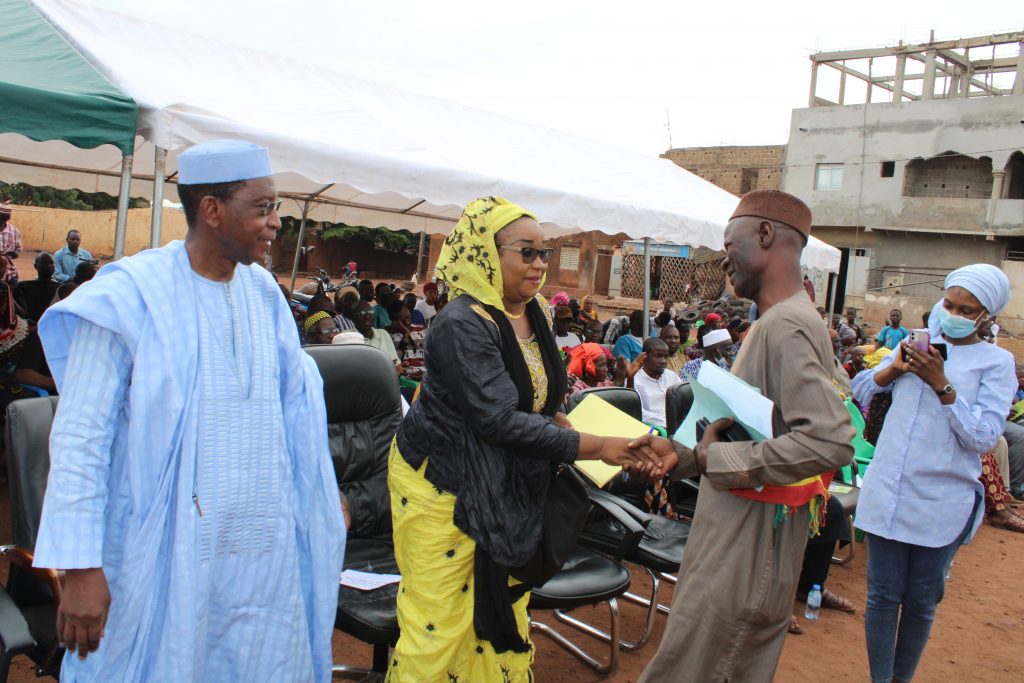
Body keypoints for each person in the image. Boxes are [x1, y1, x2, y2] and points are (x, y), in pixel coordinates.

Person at [32, 140, 345, 682]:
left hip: (257, 552)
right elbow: (82, 436)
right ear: (211, 209)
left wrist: (321, 486)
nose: (275, 223)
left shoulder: (265, 295)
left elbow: (293, 404)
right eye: (263, 207)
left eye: (277, 208)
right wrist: (81, 568)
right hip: (162, 550)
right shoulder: (129, 297)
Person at [387, 197, 662, 681]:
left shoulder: (536, 313)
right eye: (526, 252)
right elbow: (495, 419)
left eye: (545, 254)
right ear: (487, 255)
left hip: (505, 485)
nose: (539, 265)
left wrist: (565, 422)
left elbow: (540, 399)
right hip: (443, 488)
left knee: (497, 614)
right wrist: (596, 447)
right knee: (439, 626)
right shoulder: (461, 324)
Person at [630, 189, 855, 683]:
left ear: (766, 235)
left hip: (750, 540)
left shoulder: (786, 326)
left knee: (695, 666)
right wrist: (684, 455)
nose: (723, 257)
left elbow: (828, 442)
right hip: (746, 526)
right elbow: (749, 428)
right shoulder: (783, 319)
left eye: (730, 242)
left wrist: (714, 463)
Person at [852, 263, 1015, 683]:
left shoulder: (996, 363)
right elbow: (861, 390)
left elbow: (982, 437)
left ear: (987, 315)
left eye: (967, 309)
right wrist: (896, 369)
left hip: (941, 501)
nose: (953, 314)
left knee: (922, 602)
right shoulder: (915, 342)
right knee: (882, 596)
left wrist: (943, 385)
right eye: (949, 304)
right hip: (889, 489)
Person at [633, 338, 682, 428]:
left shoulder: (671, 376)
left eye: (665, 357)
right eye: (658, 356)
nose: (663, 361)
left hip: (678, 425)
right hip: (654, 429)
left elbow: (683, 398)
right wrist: (666, 423)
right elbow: (639, 412)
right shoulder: (635, 380)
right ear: (644, 357)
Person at [353, 299, 401, 371]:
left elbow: (396, 363)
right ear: (353, 317)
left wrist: (398, 368)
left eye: (370, 312)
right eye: (362, 313)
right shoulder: (347, 337)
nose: (367, 316)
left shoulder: (383, 334)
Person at [14, 253, 59, 323]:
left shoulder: (60, 288)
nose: (49, 266)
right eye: (44, 263)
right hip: (29, 325)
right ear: (36, 266)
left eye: (51, 263)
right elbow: (22, 313)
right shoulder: (23, 287)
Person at [0, 203, 23, 285]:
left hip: (9, 273)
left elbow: (16, 254)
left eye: (4, 218)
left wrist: (5, 255)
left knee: (14, 292)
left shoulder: (14, 232)